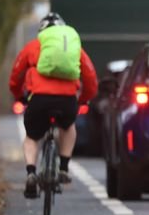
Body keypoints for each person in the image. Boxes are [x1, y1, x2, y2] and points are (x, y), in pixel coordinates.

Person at [9, 12, 98, 199]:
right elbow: (90, 77)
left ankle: (31, 172)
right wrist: (83, 99)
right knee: (68, 126)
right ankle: (64, 168)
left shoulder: (34, 46)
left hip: (39, 99)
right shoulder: (73, 47)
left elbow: (15, 76)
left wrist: (20, 96)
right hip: (67, 100)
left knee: (32, 136)